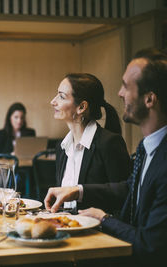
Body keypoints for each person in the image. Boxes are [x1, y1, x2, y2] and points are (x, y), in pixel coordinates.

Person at [45, 48, 167, 267]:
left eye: (126, 86)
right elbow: (128, 188)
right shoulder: (145, 148)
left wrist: (104, 219)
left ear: (149, 99)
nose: (119, 93)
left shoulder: (121, 146)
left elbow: (151, 245)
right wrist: (78, 190)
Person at [49, 73, 131, 211]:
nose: (53, 101)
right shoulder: (62, 147)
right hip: (67, 227)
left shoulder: (109, 143)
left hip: (100, 230)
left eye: (61, 96)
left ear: (81, 107)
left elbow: (125, 197)